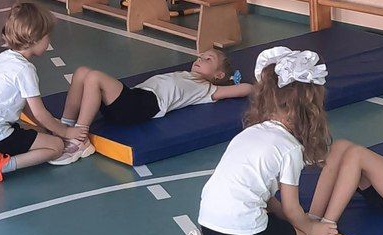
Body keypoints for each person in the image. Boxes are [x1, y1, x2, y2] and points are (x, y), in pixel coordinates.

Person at [178, 46, 333, 235]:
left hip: (208, 223)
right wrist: (311, 228)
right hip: (241, 233)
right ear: (308, 112)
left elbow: (265, 196)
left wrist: (285, 216)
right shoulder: (290, 149)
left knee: (250, 219)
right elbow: (293, 210)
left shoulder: (249, 133)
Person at [0, 2, 87, 189]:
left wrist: (43, 127)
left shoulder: (4, 57)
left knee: (37, 132)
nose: (49, 41)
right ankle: (1, 166)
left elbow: (25, 105)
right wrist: (65, 132)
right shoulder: (25, 70)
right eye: (47, 36)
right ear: (35, 39)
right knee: (56, 146)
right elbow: (39, 113)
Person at [53, 49, 253, 164]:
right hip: (130, 99)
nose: (200, 59)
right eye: (200, 56)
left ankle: (80, 138)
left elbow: (244, 88)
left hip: (141, 105)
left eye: (208, 59)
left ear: (218, 75)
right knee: (82, 72)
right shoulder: (186, 75)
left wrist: (259, 84)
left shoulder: (206, 89)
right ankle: (66, 125)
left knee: (95, 77)